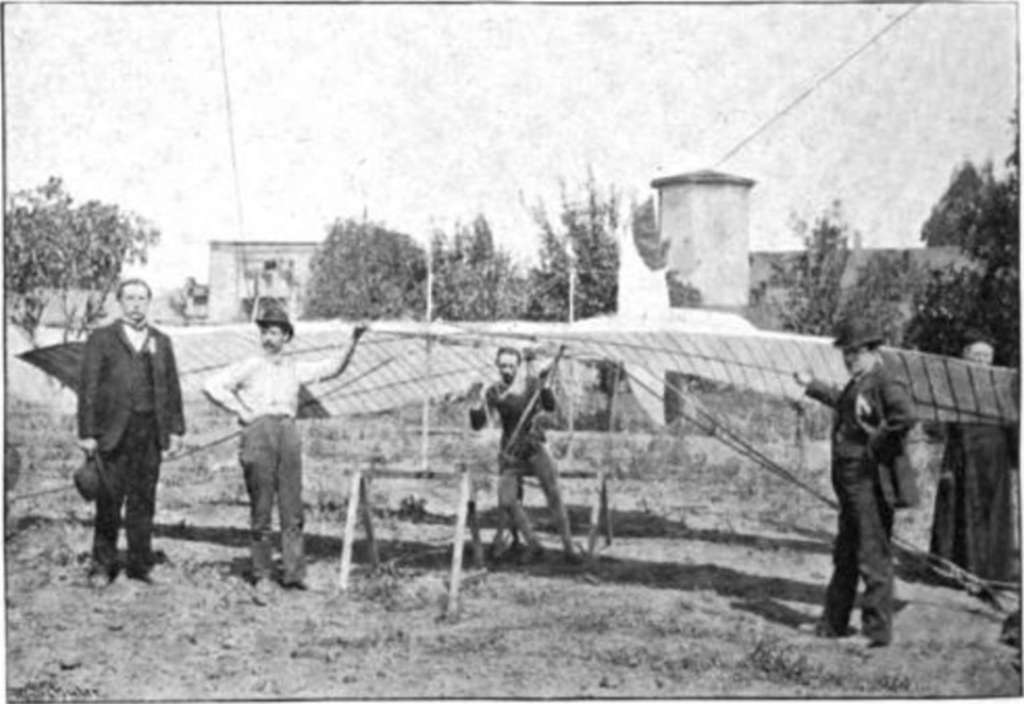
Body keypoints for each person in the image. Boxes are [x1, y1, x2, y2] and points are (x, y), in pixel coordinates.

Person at [203, 304, 366, 591]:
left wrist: (353, 340)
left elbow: (332, 368)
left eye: (275, 332)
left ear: (286, 337)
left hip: (288, 431)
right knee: (261, 507)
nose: (269, 338)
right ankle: (262, 573)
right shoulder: (250, 364)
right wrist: (243, 411)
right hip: (258, 432)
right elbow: (212, 385)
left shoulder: (295, 368)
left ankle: (294, 573)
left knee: (292, 508)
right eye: (265, 332)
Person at [794, 319, 914, 647]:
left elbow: (904, 418)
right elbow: (846, 404)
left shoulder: (886, 379)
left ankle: (875, 634)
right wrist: (812, 384)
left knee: (871, 554)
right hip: (849, 483)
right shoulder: (860, 381)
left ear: (874, 352)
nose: (849, 359)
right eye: (846, 353)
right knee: (845, 553)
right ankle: (833, 624)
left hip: (869, 482)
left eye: (856, 353)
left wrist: (872, 450)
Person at [77, 278, 186, 586]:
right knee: (109, 502)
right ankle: (102, 566)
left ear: (148, 303)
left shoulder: (161, 341)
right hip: (113, 433)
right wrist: (87, 433)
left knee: (143, 500)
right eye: (130, 298)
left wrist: (176, 430)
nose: (136, 304)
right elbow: (88, 388)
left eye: (142, 299)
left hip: (149, 432)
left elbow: (173, 388)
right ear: (119, 302)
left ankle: (140, 564)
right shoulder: (101, 338)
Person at [469, 346, 578, 564]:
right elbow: (478, 424)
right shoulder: (495, 391)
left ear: (518, 366)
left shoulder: (531, 385)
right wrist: (475, 401)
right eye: (503, 366)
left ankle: (568, 548)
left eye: (511, 365)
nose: (507, 370)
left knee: (553, 495)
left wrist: (545, 385)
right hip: (511, 450)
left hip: (535, 446)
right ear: (497, 366)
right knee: (507, 499)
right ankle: (534, 543)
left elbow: (549, 406)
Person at [929, 330, 1018, 584]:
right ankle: (954, 570)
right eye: (976, 355)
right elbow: (939, 423)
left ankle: (987, 573)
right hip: (962, 458)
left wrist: (1015, 458)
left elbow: (1013, 423)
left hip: (993, 463)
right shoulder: (953, 383)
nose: (981, 361)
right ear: (964, 356)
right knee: (958, 512)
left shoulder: (1003, 384)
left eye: (986, 356)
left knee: (990, 516)